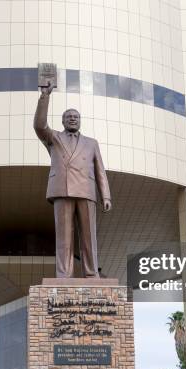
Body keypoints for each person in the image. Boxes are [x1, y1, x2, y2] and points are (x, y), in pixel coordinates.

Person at [34, 82, 112, 278]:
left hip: (86, 191)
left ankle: (92, 274)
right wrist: (45, 96)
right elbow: (39, 125)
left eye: (75, 117)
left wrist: (106, 196)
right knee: (64, 238)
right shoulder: (54, 138)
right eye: (69, 117)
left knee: (89, 237)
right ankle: (63, 275)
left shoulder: (91, 143)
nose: (72, 119)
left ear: (80, 121)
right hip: (62, 190)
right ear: (62, 121)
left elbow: (100, 171)